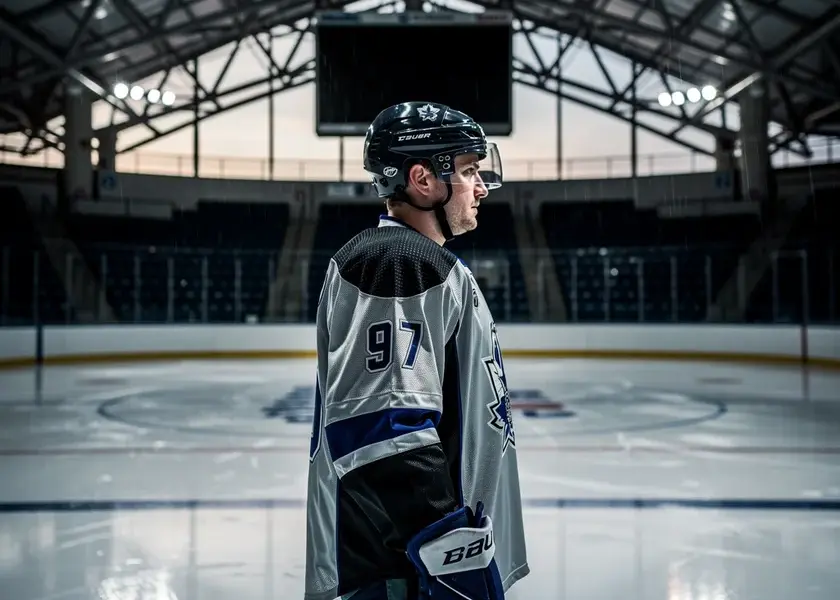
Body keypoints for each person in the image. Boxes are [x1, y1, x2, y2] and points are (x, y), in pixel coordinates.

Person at [304, 101, 528, 600]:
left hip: (408, 571)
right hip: (399, 575)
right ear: (423, 179)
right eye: (470, 171)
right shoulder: (397, 260)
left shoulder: (422, 262)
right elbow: (383, 429)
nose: (482, 187)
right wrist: (452, 559)